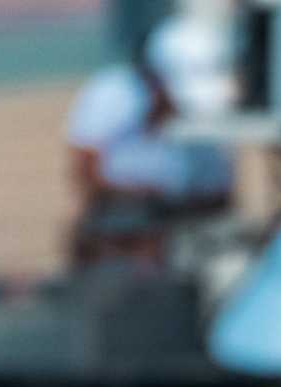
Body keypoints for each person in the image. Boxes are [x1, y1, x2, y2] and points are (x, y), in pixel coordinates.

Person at [65, 14, 237, 265]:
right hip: (122, 220)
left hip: (185, 227)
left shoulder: (209, 120)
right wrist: (140, 195)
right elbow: (84, 165)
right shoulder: (113, 94)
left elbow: (221, 193)